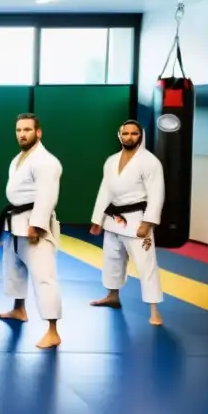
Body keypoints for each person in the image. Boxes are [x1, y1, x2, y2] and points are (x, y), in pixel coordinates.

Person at [0, 112, 64, 349]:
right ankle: (19, 309)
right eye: (19, 130)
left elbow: (47, 196)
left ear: (38, 132)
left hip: (34, 225)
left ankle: (53, 331)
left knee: (44, 277)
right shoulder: (19, 159)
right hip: (15, 222)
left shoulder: (47, 161)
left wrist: (37, 224)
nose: (22, 134)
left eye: (27, 130)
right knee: (14, 269)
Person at [89, 119, 165, 325]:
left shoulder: (150, 162)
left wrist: (148, 223)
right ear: (119, 135)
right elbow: (105, 190)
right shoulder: (111, 161)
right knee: (112, 259)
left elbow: (157, 194)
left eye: (134, 134)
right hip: (114, 220)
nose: (129, 137)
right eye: (126, 133)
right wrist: (98, 219)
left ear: (140, 136)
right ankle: (112, 296)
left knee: (146, 265)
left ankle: (154, 310)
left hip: (137, 220)